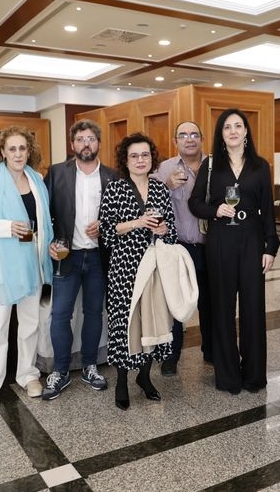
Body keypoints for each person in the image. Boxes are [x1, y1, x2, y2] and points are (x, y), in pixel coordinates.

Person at [189, 108, 279, 395]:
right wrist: (215, 209)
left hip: (252, 240)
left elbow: (268, 212)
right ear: (221, 133)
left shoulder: (260, 166)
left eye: (238, 126)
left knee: (253, 309)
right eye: (227, 127)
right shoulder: (211, 165)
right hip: (220, 242)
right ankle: (228, 376)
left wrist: (271, 246)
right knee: (222, 309)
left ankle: (254, 376)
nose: (233, 131)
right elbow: (194, 204)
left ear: (246, 132)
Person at [0, 126, 54, 408]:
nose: (18, 154)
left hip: (33, 263)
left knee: (30, 324)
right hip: (0, 264)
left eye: (23, 148)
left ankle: (28, 374)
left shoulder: (37, 179)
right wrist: (7, 227)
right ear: (2, 152)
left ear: (30, 151)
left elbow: (42, 222)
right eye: (12, 149)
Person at [41, 119, 117, 400]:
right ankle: (60, 370)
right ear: (72, 145)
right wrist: (49, 242)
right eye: (81, 139)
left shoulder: (112, 176)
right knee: (60, 314)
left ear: (98, 144)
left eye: (91, 139)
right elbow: (44, 213)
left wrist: (105, 223)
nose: (86, 144)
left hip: (99, 257)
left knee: (94, 313)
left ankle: (89, 366)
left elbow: (120, 215)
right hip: (66, 255)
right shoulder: (57, 172)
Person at [99, 133, 177, 410]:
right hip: (124, 266)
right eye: (134, 155)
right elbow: (106, 232)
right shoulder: (115, 189)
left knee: (150, 321)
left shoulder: (160, 189)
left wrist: (164, 229)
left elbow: (172, 232)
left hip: (153, 266)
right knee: (124, 322)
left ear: (152, 158)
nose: (140, 160)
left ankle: (144, 377)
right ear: (126, 160)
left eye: (145, 155)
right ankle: (122, 380)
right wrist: (136, 222)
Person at [154, 120, 212, 373]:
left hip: (212, 247)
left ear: (201, 138)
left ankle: (211, 351)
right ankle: (171, 356)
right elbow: (150, 202)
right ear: (175, 141)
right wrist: (166, 187)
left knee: (210, 303)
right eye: (183, 135)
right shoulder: (164, 168)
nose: (189, 139)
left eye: (194, 134)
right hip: (180, 248)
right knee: (176, 304)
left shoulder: (216, 166)